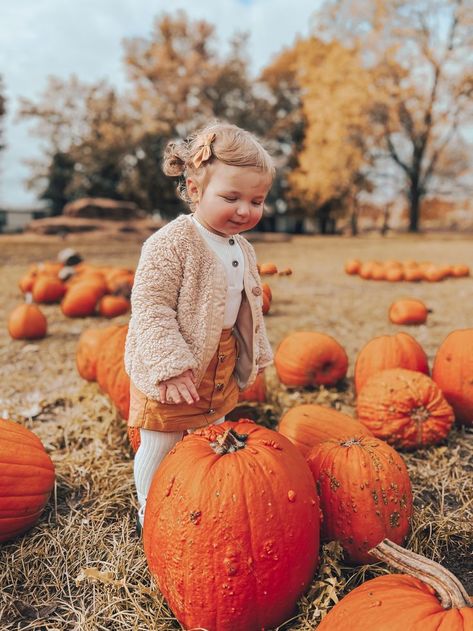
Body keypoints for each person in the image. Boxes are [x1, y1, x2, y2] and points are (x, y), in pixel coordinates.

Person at [124, 121, 275, 533]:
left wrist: (255, 351)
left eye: (257, 200)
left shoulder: (242, 246)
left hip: (217, 358)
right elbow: (150, 306)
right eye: (232, 198)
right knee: (161, 439)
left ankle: (197, 498)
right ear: (194, 190)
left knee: (208, 435)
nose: (245, 210)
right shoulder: (170, 243)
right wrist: (170, 365)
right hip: (172, 362)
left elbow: (249, 305)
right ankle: (150, 513)